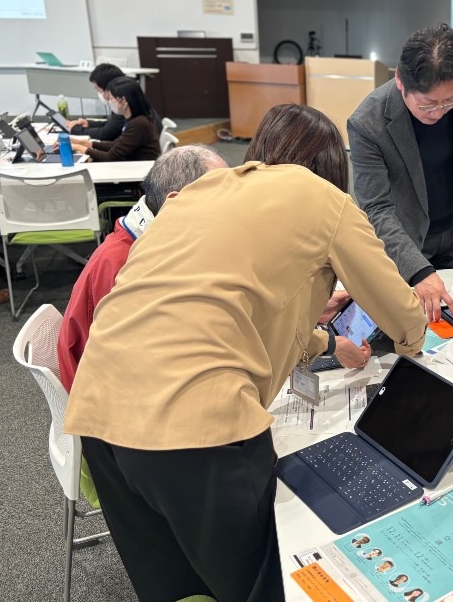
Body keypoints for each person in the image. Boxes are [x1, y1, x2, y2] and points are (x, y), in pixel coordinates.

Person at [63, 104, 428, 601]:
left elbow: (210, 303)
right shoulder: (325, 199)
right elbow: (398, 309)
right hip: (192, 426)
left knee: (178, 589)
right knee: (262, 582)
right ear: (331, 169)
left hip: (99, 415)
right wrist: (412, 345)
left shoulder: (203, 191)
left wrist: (317, 334)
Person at [57, 145, 227, 391]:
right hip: (102, 393)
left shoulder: (143, 238)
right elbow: (128, 365)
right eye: (221, 195)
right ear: (177, 202)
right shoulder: (124, 267)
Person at [349, 23, 453, 321]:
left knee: (452, 319)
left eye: (449, 101)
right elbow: (376, 208)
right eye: (427, 104)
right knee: (408, 323)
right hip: (406, 237)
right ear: (400, 80)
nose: (439, 112)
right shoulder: (367, 123)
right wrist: (418, 271)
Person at [59, 77, 161, 162]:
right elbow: (115, 145)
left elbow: (111, 157)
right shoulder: (134, 120)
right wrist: (82, 142)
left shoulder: (139, 123)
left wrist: (78, 147)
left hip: (139, 172)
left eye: (112, 98)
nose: (109, 102)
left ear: (123, 101)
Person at [64, 63, 126, 140]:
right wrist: (88, 123)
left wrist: (75, 129)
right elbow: (112, 125)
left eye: (98, 89)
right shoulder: (122, 100)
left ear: (109, 88)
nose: (99, 93)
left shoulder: (123, 106)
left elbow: (106, 134)